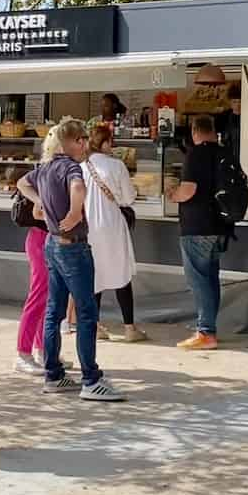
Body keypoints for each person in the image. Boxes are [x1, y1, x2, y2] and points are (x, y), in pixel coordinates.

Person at [18, 119, 126, 401]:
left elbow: (21, 183)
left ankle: (53, 374)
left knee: (54, 312)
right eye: (83, 141)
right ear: (76, 141)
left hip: (52, 245)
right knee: (87, 314)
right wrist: (77, 211)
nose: (85, 146)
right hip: (73, 247)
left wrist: (39, 200)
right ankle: (91, 379)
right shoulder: (70, 167)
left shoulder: (44, 168)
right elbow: (77, 187)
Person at [83, 124, 147, 343]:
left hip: (89, 227)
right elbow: (128, 198)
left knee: (95, 276)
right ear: (105, 143)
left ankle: (96, 326)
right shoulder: (116, 165)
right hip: (112, 225)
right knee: (121, 275)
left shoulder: (81, 166)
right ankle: (129, 328)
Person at [169, 114, 226, 351]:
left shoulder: (195, 155)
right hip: (219, 226)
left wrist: (173, 194)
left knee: (199, 280)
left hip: (196, 226)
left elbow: (189, 190)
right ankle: (210, 327)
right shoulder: (224, 152)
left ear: (194, 131)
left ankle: (205, 332)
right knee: (211, 278)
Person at [14, 205, 54, 374]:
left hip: (48, 237)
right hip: (40, 238)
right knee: (38, 297)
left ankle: (42, 350)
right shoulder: (40, 179)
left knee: (47, 299)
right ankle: (23, 355)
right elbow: (38, 212)